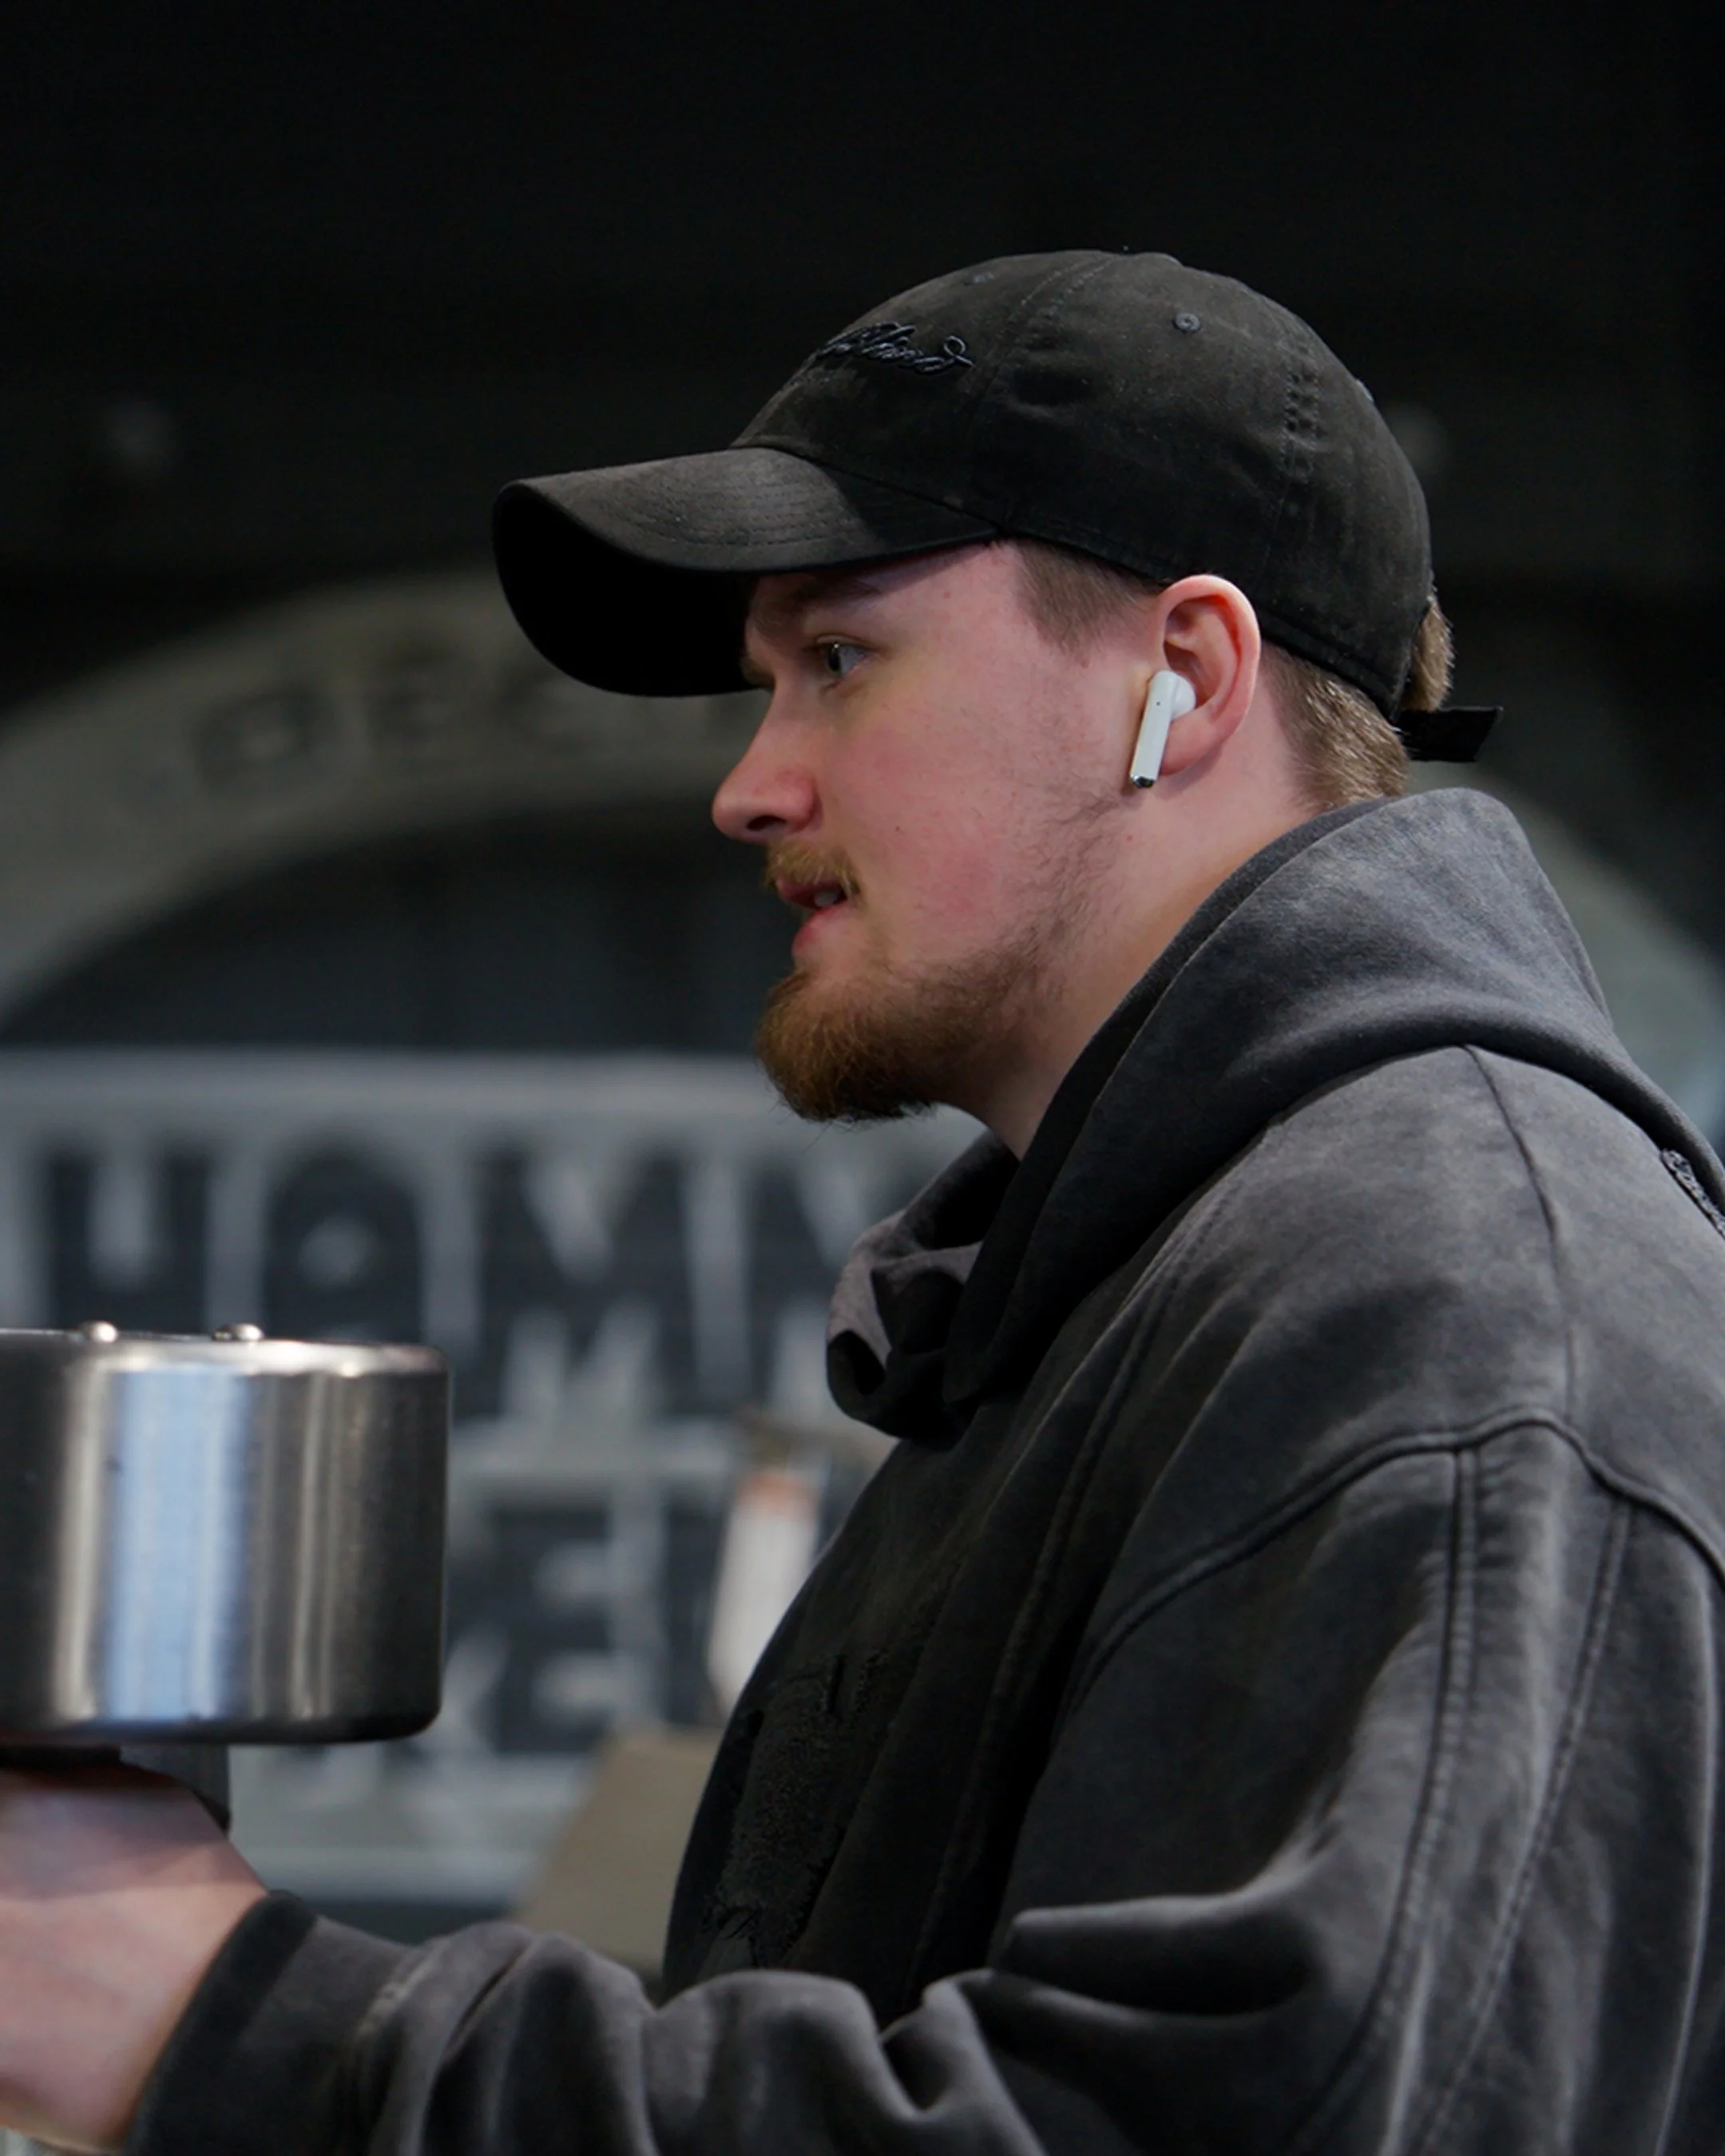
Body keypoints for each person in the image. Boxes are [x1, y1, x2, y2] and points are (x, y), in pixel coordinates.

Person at [4, 248, 1724, 2154]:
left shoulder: (1448, 1299)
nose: (750, 786)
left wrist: (248, 2025)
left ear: (1189, 675)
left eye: (842, 660)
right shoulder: (1168, 1277)